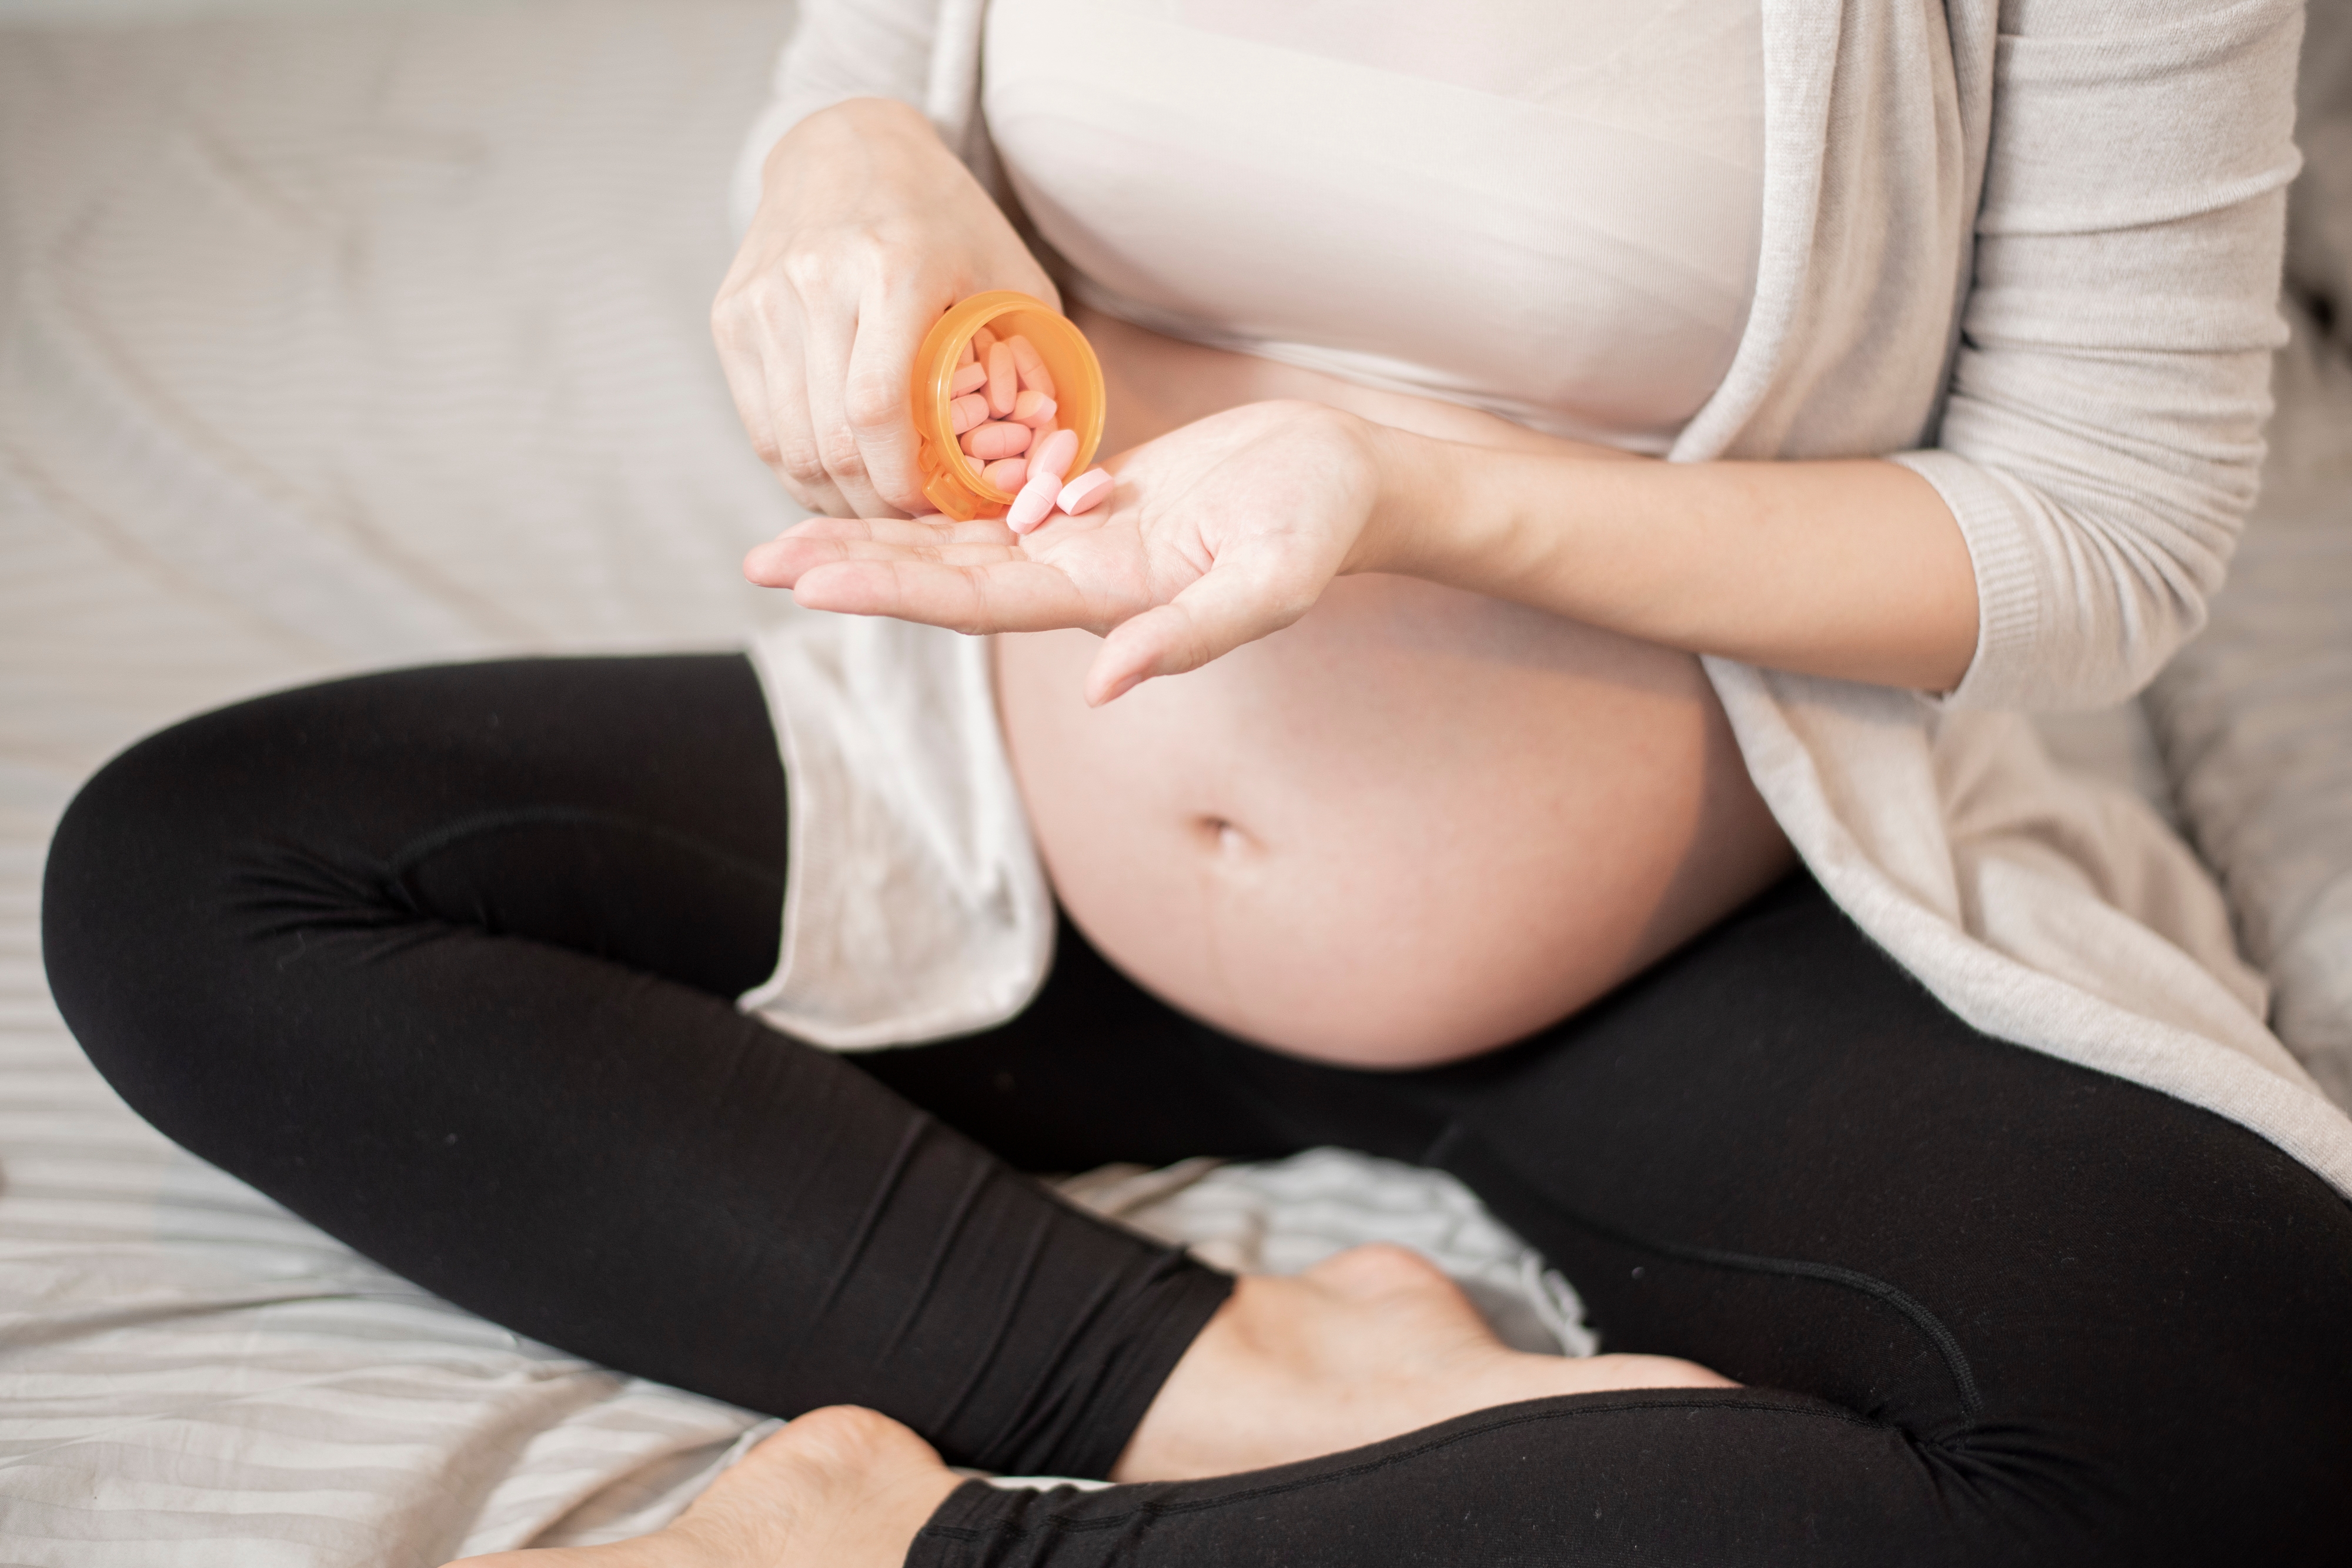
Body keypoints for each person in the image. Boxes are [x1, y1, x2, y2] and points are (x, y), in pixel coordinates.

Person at [38, 1, 2352, 1564]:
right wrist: (845, 177)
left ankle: (948, 1546)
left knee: (2244, 1400)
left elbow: (2094, 538)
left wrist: (1409, 492)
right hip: (1023, 824)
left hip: (1672, 935)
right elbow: (871, 71)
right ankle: (1230, 1385)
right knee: (192, 870)